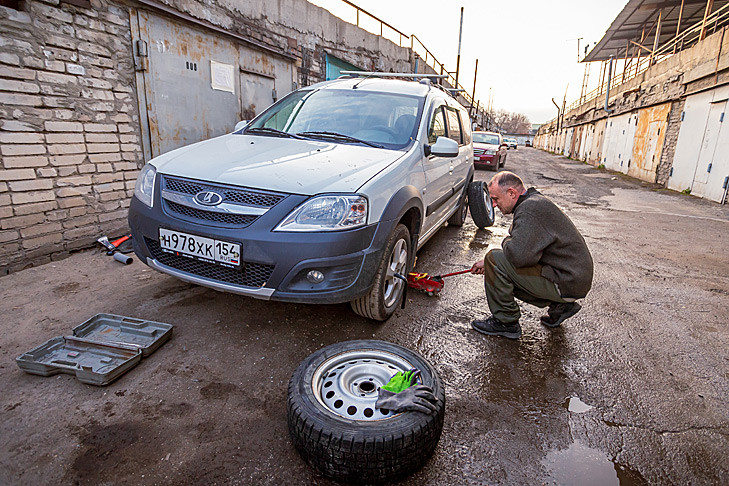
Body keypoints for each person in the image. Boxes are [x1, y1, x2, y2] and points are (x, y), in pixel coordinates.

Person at [470, 171, 593, 339]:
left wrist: (505, 241)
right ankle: (560, 306)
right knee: (496, 262)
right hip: (571, 278)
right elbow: (527, 252)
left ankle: (506, 323)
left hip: (567, 281)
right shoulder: (533, 202)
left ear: (512, 193)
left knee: (494, 259)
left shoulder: (529, 210)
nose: (493, 205)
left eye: (496, 199)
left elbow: (518, 257)